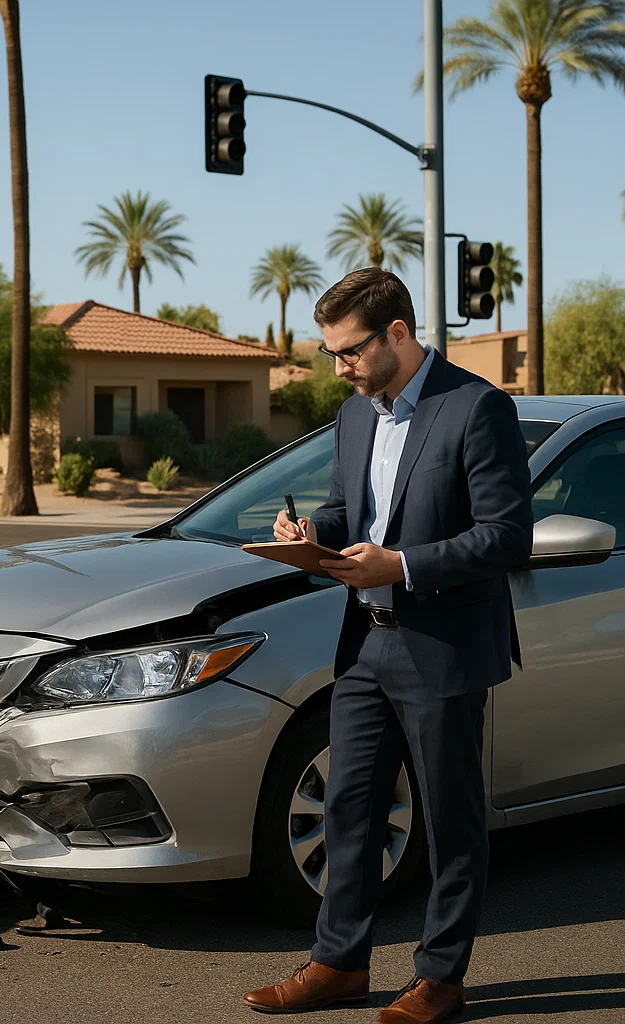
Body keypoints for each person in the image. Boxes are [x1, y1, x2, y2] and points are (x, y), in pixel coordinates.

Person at [243, 269, 532, 1024]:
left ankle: (441, 977)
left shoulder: (477, 407)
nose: (339, 367)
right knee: (349, 808)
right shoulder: (354, 415)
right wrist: (311, 532)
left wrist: (400, 565)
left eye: (349, 351)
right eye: (331, 353)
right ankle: (339, 965)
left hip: (442, 646)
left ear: (397, 333)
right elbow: (351, 508)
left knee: (449, 819)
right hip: (362, 645)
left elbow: (507, 537)